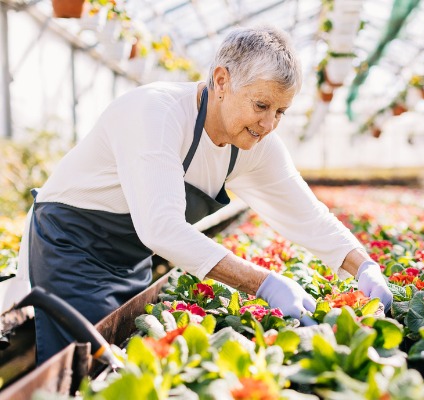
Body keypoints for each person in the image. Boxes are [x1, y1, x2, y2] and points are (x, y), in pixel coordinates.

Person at [17, 25, 392, 364]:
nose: (268, 124)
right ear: (222, 80)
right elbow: (161, 228)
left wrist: (363, 266)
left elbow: (306, 214)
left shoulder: (256, 142)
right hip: (70, 247)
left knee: (123, 361)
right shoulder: (156, 113)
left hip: (130, 258)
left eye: (281, 111)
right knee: (87, 367)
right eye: (261, 105)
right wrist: (264, 283)